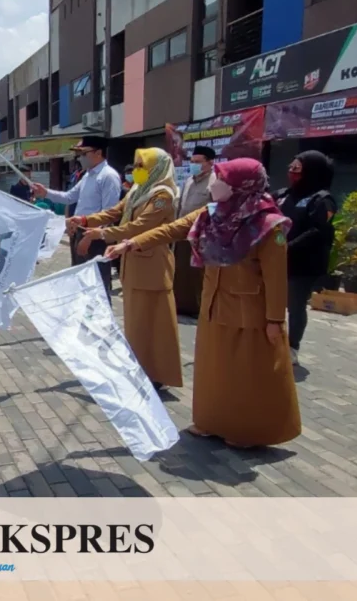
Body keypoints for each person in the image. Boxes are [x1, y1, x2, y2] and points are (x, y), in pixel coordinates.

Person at [108, 157, 300, 448]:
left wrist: (275, 320)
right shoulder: (212, 213)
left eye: (221, 179)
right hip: (212, 306)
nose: (214, 183)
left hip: (249, 313)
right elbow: (173, 229)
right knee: (213, 370)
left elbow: (276, 279)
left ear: (240, 186)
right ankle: (211, 422)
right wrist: (131, 243)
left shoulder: (269, 225)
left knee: (244, 373)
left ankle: (248, 431)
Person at [72, 148, 183, 390]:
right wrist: (85, 220)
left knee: (154, 321)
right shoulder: (137, 190)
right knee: (136, 321)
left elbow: (139, 226)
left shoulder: (162, 195)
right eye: (135, 166)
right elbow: (115, 212)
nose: (136, 171)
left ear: (157, 168)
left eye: (142, 166)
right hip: (133, 261)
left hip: (152, 265)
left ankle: (157, 373)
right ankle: (141, 368)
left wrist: (102, 233)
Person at [31, 136, 123, 294]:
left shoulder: (108, 176)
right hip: (80, 232)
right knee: (81, 282)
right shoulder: (87, 176)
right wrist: (45, 193)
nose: (80, 158)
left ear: (98, 153)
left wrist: (89, 237)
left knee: (97, 284)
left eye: (83, 153)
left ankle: (99, 318)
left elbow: (110, 214)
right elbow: (69, 197)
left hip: (95, 238)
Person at [274, 151, 337, 366]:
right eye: (290, 168)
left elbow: (317, 231)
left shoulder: (323, 200)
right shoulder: (283, 195)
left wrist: (289, 247)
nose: (291, 173)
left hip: (303, 263)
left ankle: (292, 347)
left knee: (295, 305)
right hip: (276, 259)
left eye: (297, 170)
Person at [173, 146, 217, 317]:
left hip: (202, 236)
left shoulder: (215, 182)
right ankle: (181, 305)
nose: (194, 165)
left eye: (198, 162)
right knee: (181, 272)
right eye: (192, 162)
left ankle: (199, 309)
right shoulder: (189, 181)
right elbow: (181, 207)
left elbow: (216, 211)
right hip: (183, 234)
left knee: (198, 275)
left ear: (210, 163)